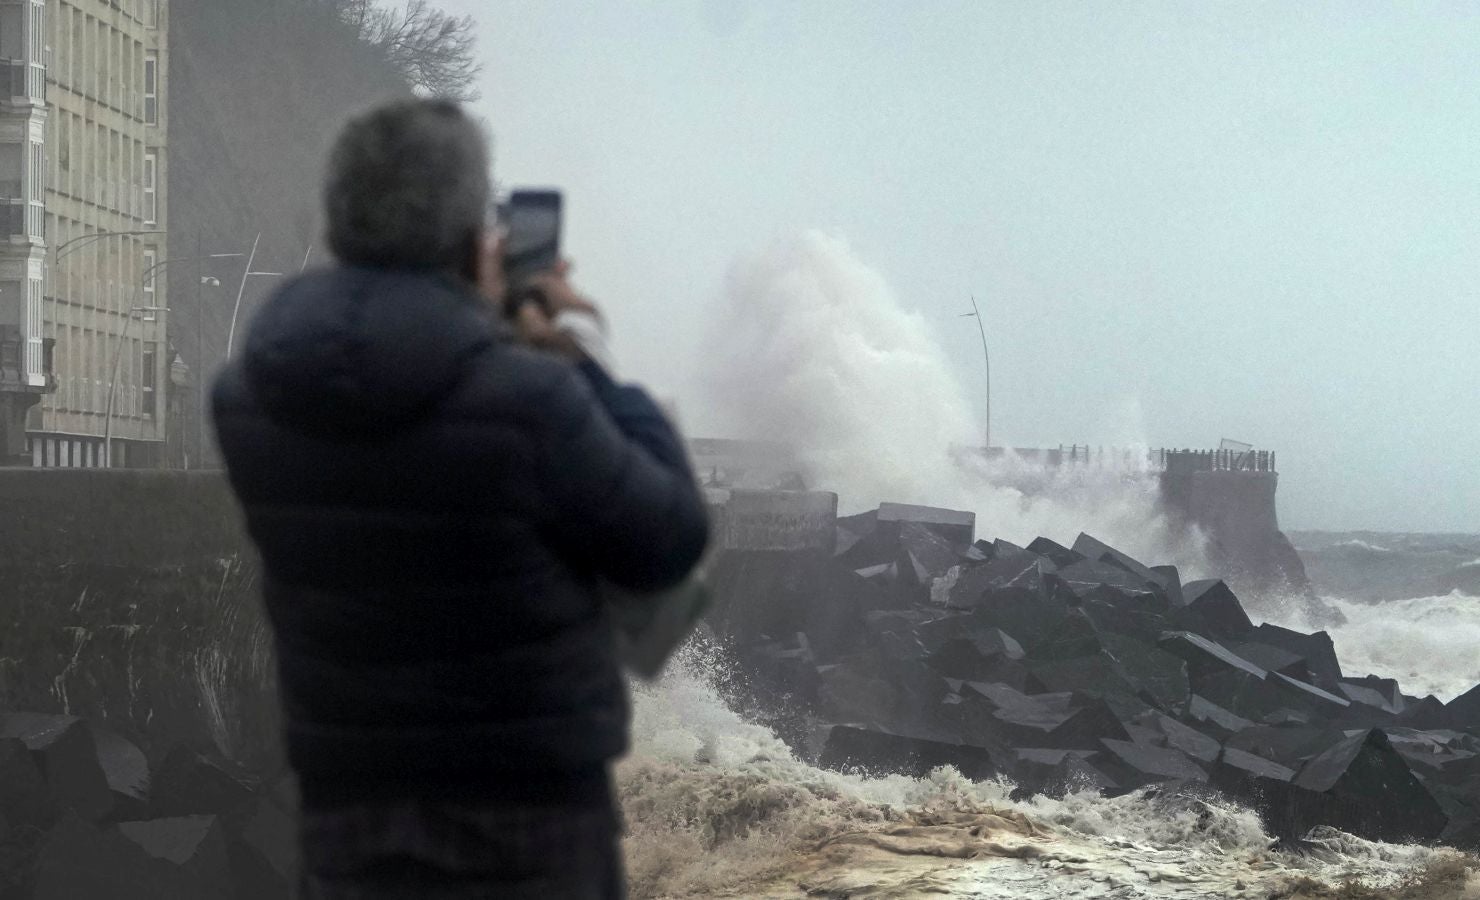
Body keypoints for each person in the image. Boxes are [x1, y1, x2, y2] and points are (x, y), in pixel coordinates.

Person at [211, 98, 710, 898]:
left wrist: (483, 323)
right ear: (473, 237)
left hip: (351, 814)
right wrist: (576, 358)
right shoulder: (533, 400)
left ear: (342, 221)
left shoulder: (250, 399)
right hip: (526, 822)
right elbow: (667, 538)